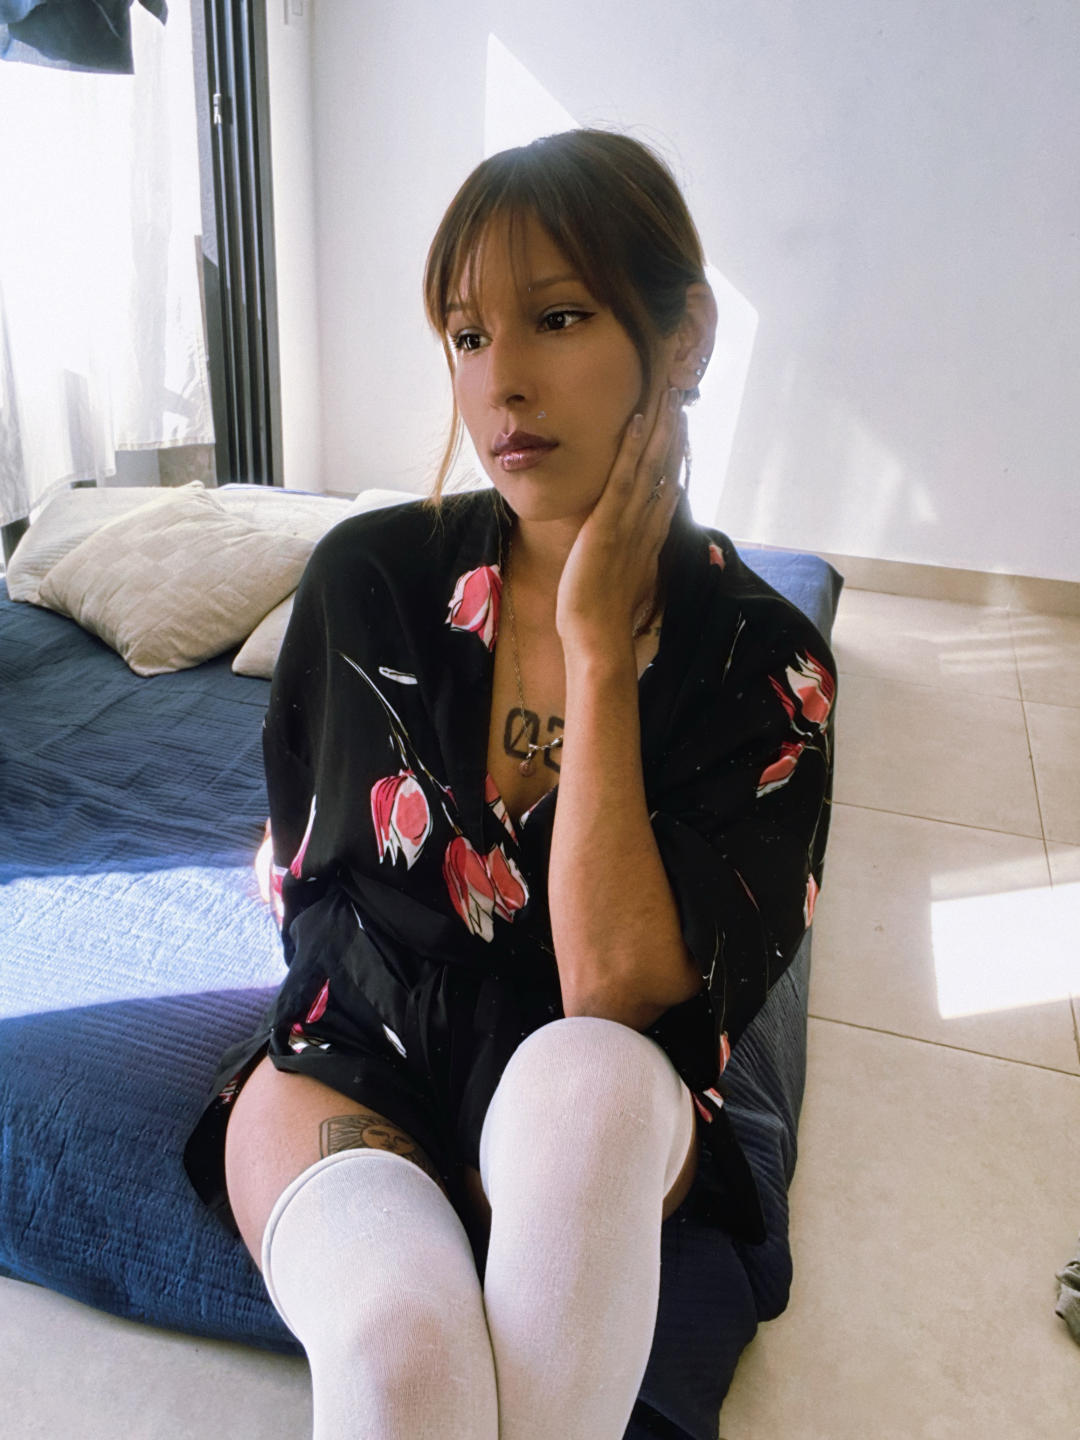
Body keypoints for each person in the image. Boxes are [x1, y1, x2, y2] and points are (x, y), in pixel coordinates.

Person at [182, 127, 837, 1440]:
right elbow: (302, 868)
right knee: (402, 1354)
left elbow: (615, 992)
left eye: (559, 317)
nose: (503, 384)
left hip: (587, 1106)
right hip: (356, 1067)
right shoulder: (366, 579)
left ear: (685, 336)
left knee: (585, 1080)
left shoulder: (761, 662)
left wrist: (596, 645)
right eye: (470, 336)